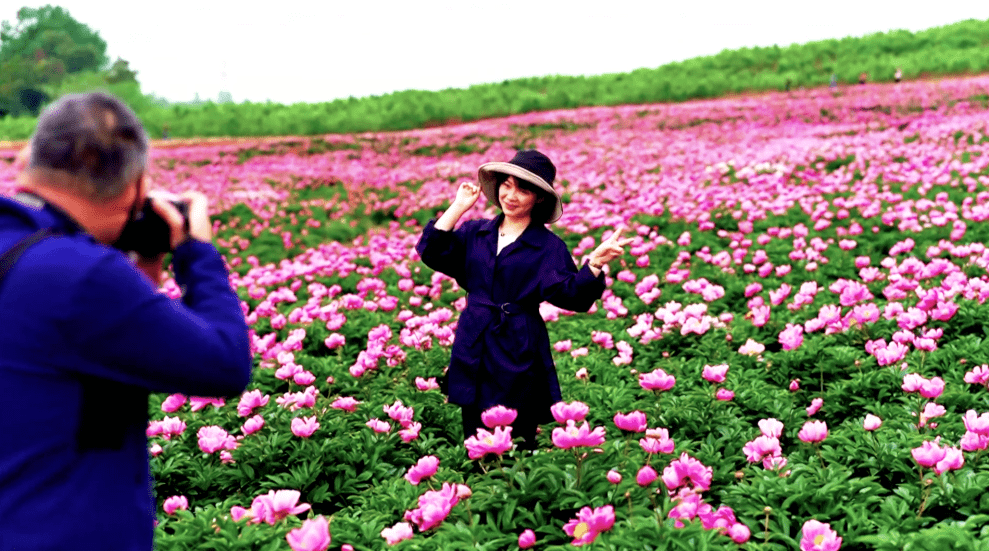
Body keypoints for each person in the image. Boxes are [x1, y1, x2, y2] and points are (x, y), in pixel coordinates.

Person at [0, 92, 252, 550]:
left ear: (29, 160)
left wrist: (137, 283)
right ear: (135, 185)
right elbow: (226, 365)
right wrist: (197, 254)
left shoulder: (22, 248)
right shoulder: (82, 275)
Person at [415, 150, 631, 450]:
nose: (511, 195)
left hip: (517, 340)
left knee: (517, 429)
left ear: (539, 198)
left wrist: (593, 264)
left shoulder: (547, 246)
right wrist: (458, 207)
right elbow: (432, 251)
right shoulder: (476, 232)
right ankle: (479, 491)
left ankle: (516, 489)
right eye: (507, 184)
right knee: (474, 431)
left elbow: (572, 295)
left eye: (524, 189)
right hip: (474, 334)